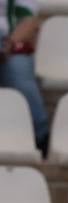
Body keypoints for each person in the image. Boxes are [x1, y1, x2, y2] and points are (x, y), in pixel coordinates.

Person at [0, 0, 46, 154]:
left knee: (19, 78)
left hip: (9, 41)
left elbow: (28, 19)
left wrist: (11, 43)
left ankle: (40, 138)